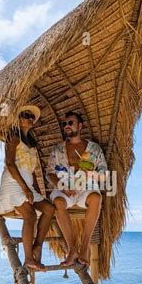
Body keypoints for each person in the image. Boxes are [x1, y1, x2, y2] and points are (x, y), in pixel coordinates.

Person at [0, 105, 54, 271]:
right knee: (30, 215)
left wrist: (36, 191)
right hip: (13, 183)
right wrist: (25, 189)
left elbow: (33, 172)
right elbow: (10, 164)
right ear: (18, 119)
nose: (30, 118)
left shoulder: (32, 143)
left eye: (31, 117)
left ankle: (38, 246)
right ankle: (28, 259)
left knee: (49, 209)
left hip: (27, 185)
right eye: (26, 115)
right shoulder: (13, 137)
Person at [47, 111, 107, 267]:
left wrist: (93, 173)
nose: (67, 126)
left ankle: (84, 247)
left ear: (80, 126)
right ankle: (72, 249)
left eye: (70, 123)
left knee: (96, 198)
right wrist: (63, 187)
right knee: (58, 202)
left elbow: (104, 175)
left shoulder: (94, 149)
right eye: (65, 124)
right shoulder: (57, 149)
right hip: (64, 187)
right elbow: (50, 173)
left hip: (85, 187)